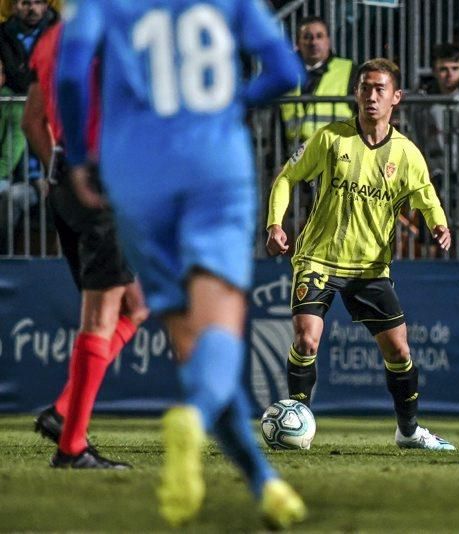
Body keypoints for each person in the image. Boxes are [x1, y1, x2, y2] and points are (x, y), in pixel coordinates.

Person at [57, 0, 307, 528]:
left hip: (137, 172)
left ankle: (265, 483)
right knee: (217, 338)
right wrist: (234, 102)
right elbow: (286, 71)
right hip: (214, 168)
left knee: (196, 349)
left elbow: (72, 74)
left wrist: (79, 154)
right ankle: (194, 420)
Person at [267, 58, 456, 452]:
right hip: (318, 258)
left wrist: (439, 224)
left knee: (399, 351)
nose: (371, 96)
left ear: (396, 98)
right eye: (365, 88)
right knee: (306, 341)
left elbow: (426, 197)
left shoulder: (406, 153)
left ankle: (408, 432)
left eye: (380, 89)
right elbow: (287, 177)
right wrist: (275, 223)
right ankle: (298, 419)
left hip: (370, 268)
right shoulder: (331, 138)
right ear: (356, 93)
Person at [23, 21, 149, 469]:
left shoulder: (51, 37)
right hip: (105, 185)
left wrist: (61, 171)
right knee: (101, 316)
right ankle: (71, 447)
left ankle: (63, 412)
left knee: (134, 306)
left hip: (67, 186)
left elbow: (31, 121)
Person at [413, 43, 459, 257]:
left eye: (454, 68)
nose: (449, 75)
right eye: (443, 69)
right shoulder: (424, 103)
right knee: (430, 230)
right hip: (433, 173)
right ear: (435, 71)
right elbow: (418, 138)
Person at [0, 0, 57, 252]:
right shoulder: (3, 35)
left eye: (38, 2)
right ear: (13, 6)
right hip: (15, 178)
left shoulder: (60, 32)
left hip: (49, 177)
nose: (32, 9)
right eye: (25, 3)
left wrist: (53, 177)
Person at [280, 15, 356, 145]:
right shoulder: (287, 74)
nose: (313, 42)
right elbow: (277, 122)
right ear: (297, 43)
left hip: (336, 154)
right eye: (307, 37)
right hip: (295, 156)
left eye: (319, 36)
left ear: (328, 41)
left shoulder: (350, 71)